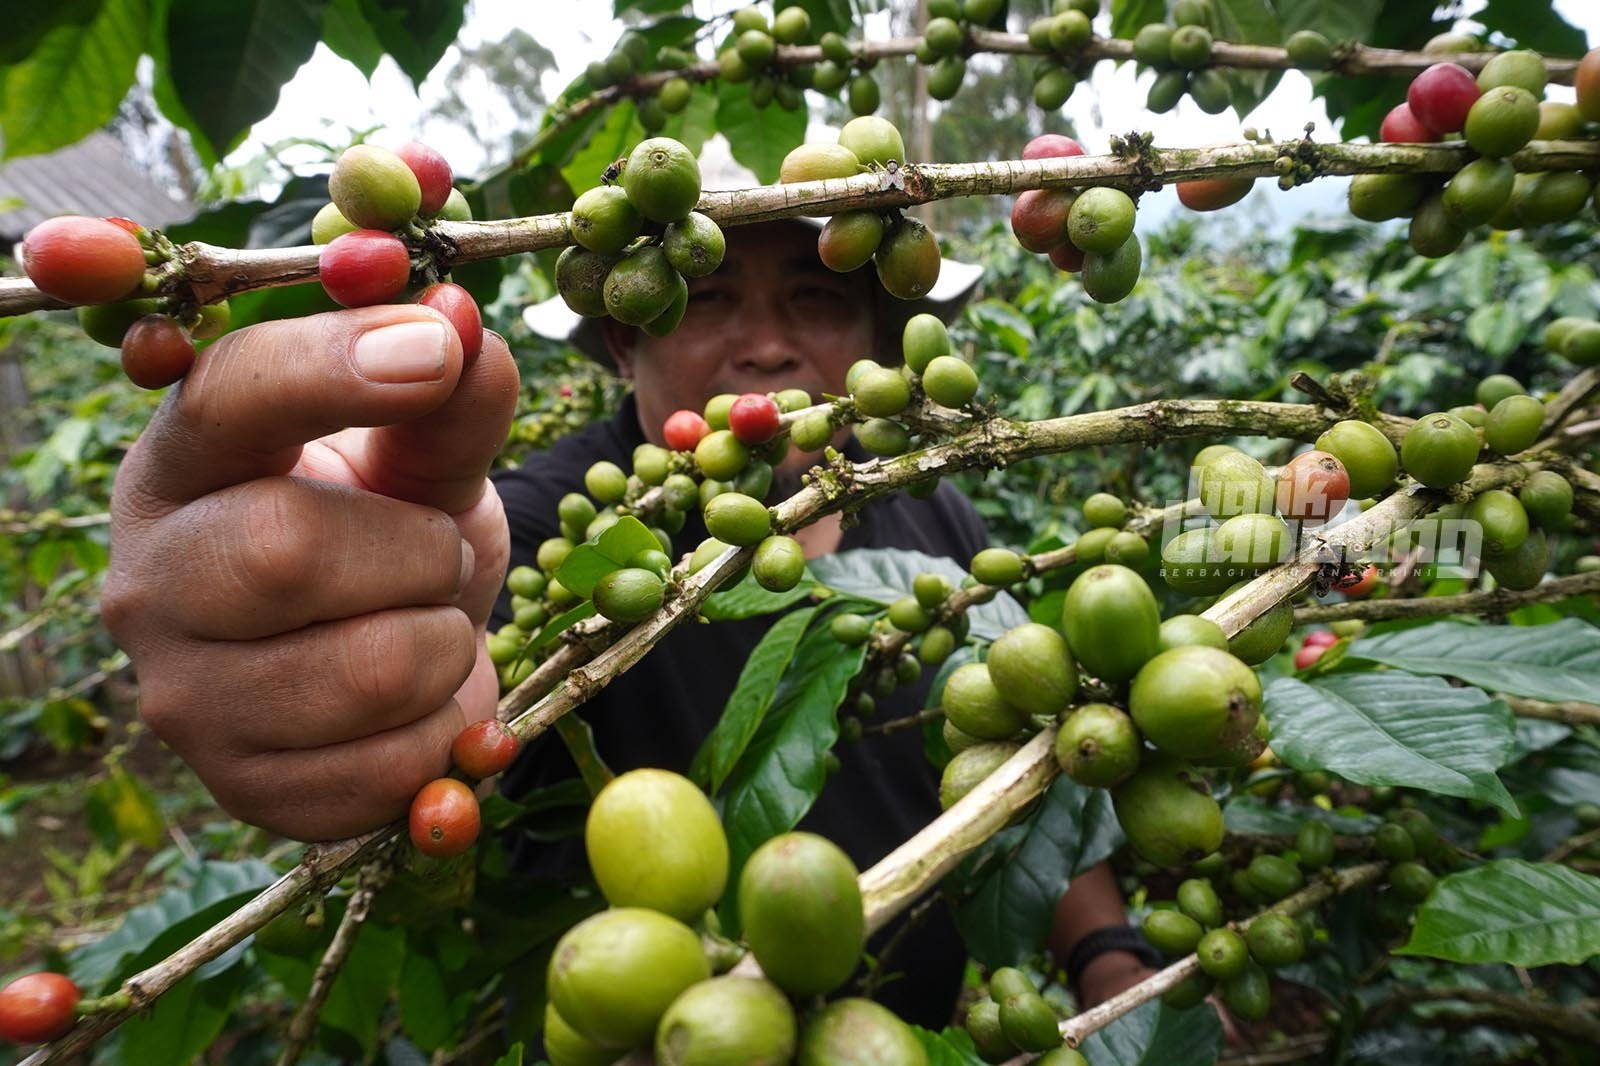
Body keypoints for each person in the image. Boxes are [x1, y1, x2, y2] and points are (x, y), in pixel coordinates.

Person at [101, 174, 1158, 1033]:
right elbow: (458, 608)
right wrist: (347, 627)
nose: (766, 345)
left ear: (883, 339)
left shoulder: (937, 516)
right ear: (621, 344)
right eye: (705, 298)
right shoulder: (550, 526)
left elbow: (1041, 749)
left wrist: (1106, 952)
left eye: (819, 296)